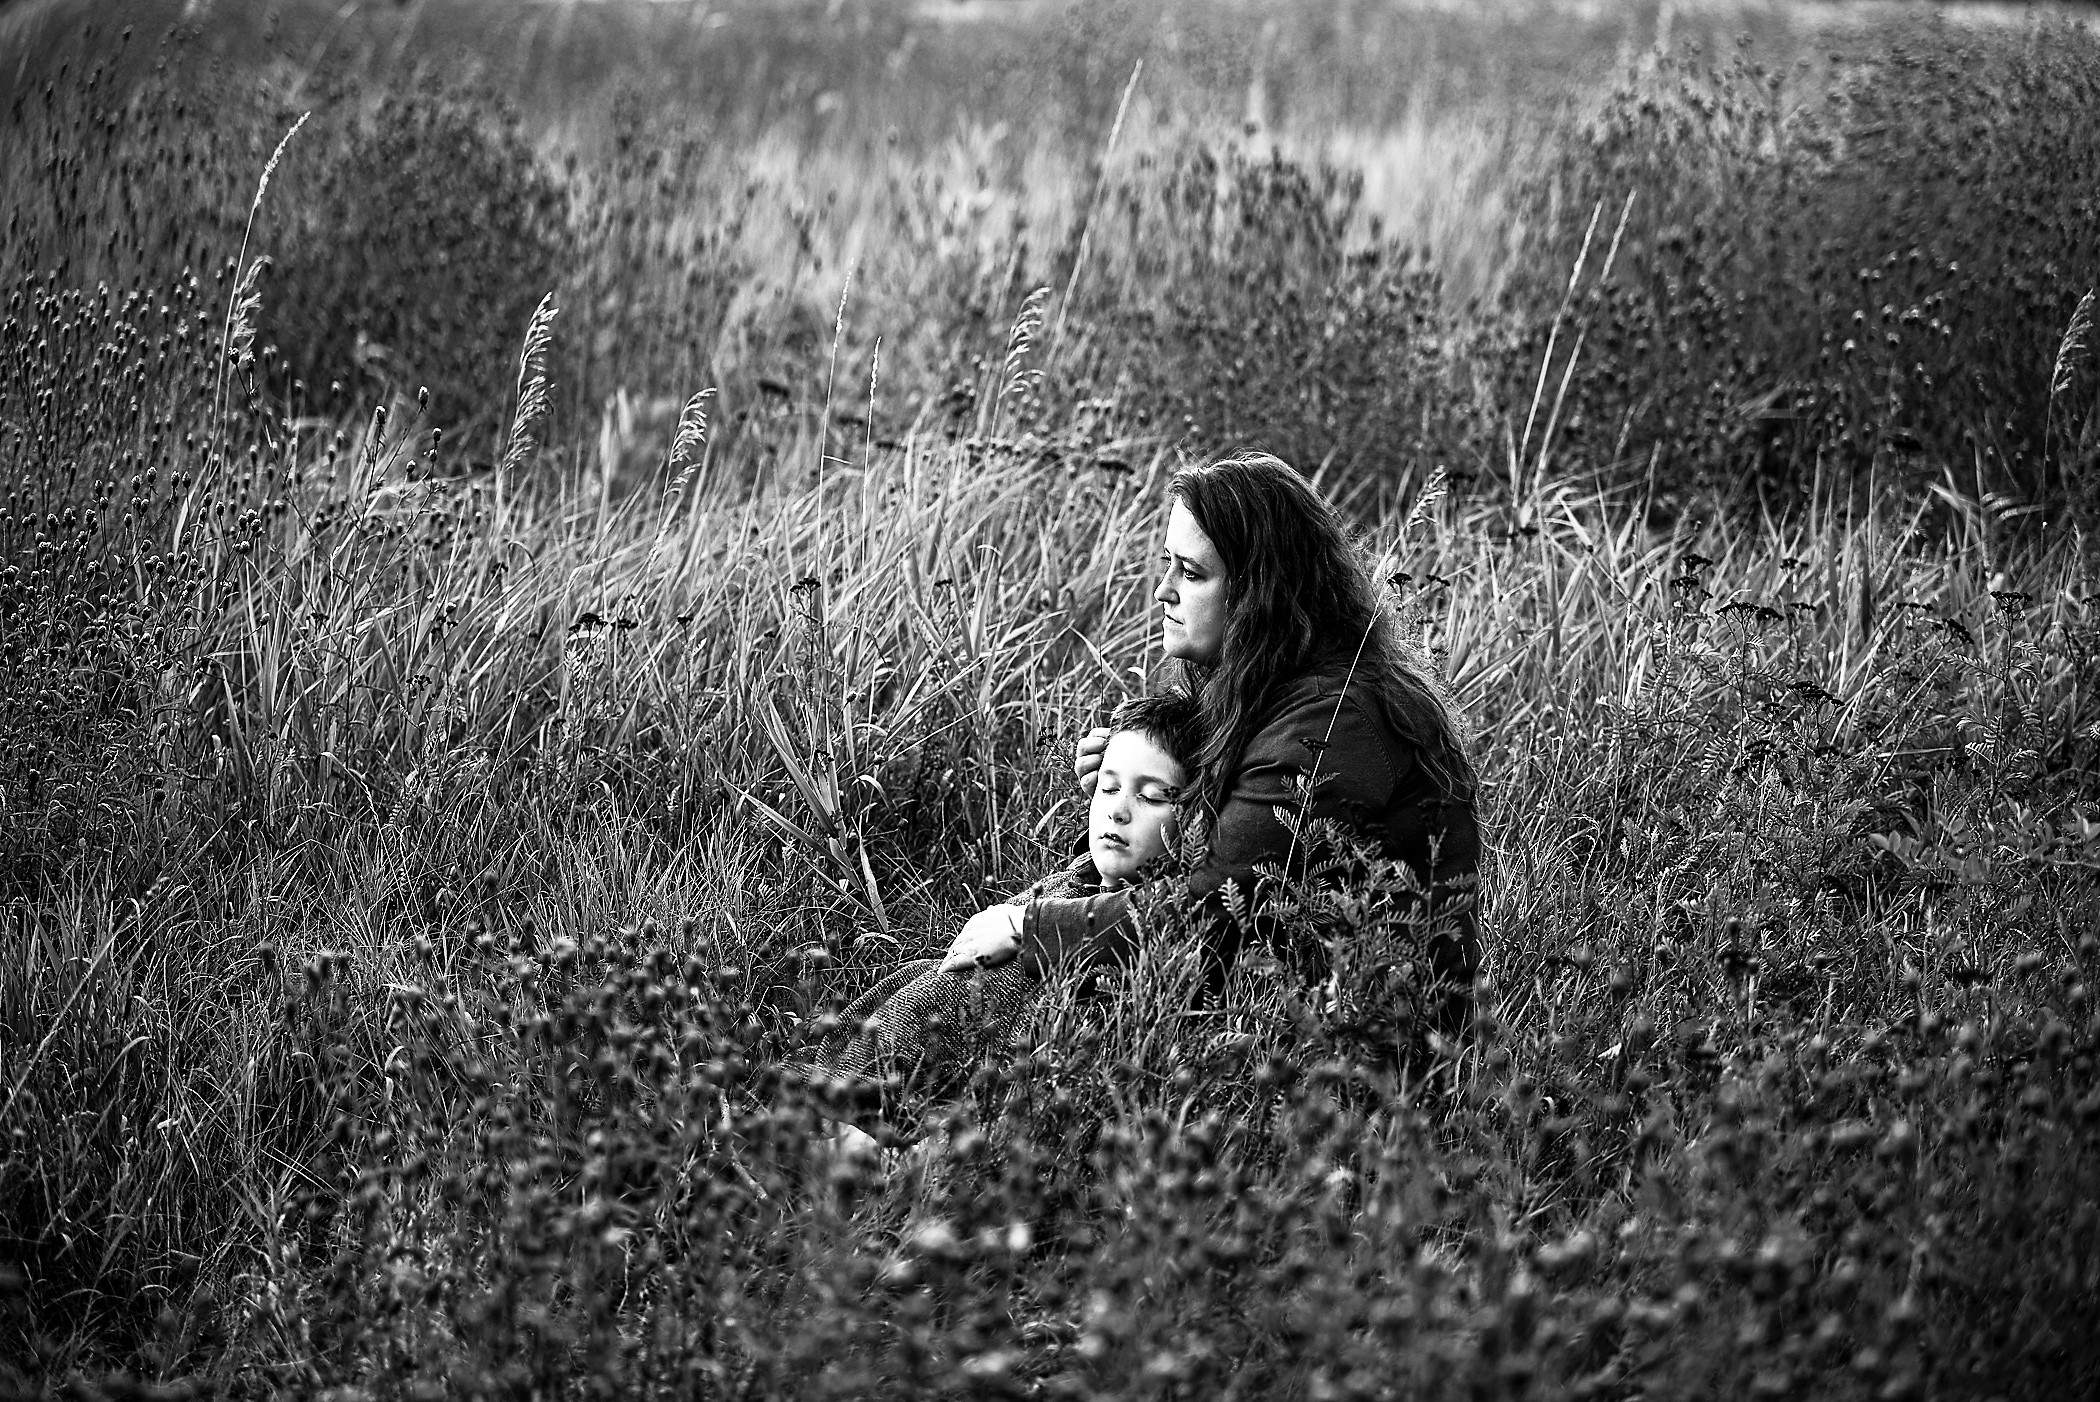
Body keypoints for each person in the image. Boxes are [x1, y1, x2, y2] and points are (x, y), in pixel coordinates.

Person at [939, 450, 1482, 1046]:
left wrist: (1028, 928)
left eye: (1190, 573)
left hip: (1346, 1055)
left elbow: (1215, 910)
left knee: (1020, 946)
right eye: (1168, 565)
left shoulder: (1336, 719)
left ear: (1260, 594)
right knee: (1040, 917)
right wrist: (1132, 781)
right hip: (1271, 993)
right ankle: (860, 1080)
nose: (1162, 591)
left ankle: (868, 1098)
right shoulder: (1274, 679)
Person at [813, 692, 1205, 1126]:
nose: (1117, 811)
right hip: (887, 1056)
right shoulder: (1071, 881)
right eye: (1107, 788)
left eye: (1150, 797)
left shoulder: (1133, 953)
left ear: (1194, 821)